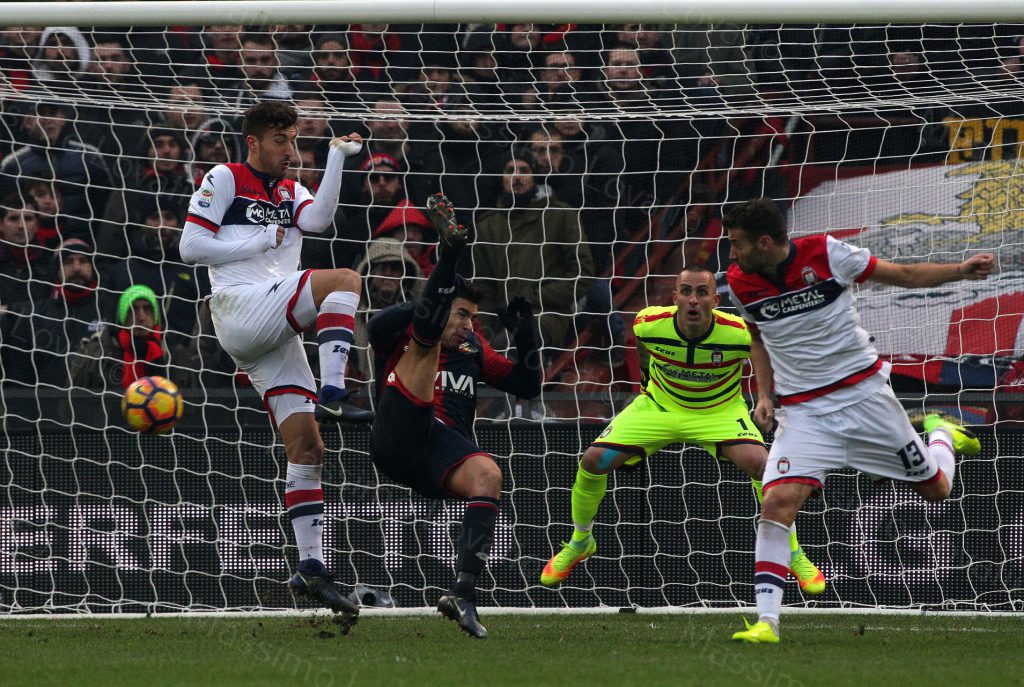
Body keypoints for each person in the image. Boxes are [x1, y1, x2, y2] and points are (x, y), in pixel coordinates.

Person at [723, 198, 996, 643]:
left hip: (865, 398)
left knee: (936, 490)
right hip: (805, 413)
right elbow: (757, 337)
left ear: (765, 243)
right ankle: (766, 623)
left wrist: (960, 269)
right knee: (775, 505)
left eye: (737, 244)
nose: (731, 254)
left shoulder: (827, 254)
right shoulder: (740, 282)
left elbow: (903, 276)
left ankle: (943, 435)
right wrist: (764, 393)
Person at [178, 101, 373, 623]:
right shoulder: (225, 176)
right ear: (255, 142)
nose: (291, 151)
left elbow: (320, 221)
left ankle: (311, 566)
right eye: (282, 141)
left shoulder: (291, 190)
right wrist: (258, 239)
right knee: (347, 281)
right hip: (241, 307)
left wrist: (336, 159)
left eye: (295, 140)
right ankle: (334, 390)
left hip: (273, 328)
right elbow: (190, 247)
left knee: (308, 447)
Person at [541, 266, 823, 592]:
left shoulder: (736, 333)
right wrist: (648, 385)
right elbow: (645, 350)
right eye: (686, 291)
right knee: (594, 460)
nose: (693, 299)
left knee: (762, 465)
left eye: (701, 293)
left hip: (718, 411)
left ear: (715, 300)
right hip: (660, 406)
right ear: (674, 297)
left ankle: (792, 551)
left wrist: (763, 396)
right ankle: (580, 541)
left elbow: (764, 350)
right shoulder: (648, 323)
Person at [367, 194, 542, 638]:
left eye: (474, 317)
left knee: (488, 474)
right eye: (462, 314)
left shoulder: (473, 349)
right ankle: (452, 250)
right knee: (422, 344)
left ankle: (463, 594)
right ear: (442, 306)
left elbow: (528, 386)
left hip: (437, 456)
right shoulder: (404, 329)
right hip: (398, 434)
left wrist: (527, 338)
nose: (469, 324)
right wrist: (441, 286)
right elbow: (380, 329)